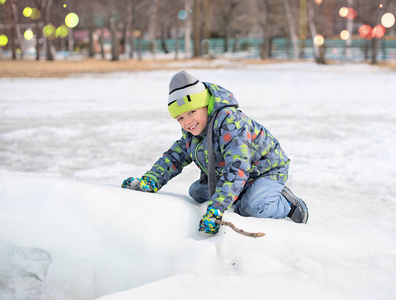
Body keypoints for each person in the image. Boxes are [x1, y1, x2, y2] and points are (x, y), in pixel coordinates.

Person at [122, 71, 308, 234]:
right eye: (180, 118)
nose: (188, 122)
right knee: (197, 191)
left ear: (206, 105)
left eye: (192, 112)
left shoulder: (230, 122)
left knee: (251, 208)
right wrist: (150, 181)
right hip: (239, 174)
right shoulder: (193, 133)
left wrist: (217, 208)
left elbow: (238, 167)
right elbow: (174, 157)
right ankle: (242, 192)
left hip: (265, 171)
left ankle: (287, 203)